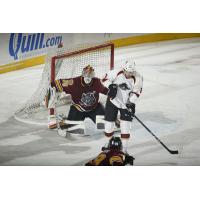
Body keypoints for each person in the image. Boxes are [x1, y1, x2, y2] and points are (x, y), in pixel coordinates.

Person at [46, 65, 115, 130]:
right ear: (82, 75)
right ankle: (61, 120)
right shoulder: (74, 83)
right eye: (86, 76)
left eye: (90, 77)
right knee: (72, 127)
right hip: (78, 110)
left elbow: (105, 91)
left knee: (106, 125)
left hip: (95, 109)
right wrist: (52, 90)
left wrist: (112, 93)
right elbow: (56, 84)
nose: (88, 79)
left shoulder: (97, 82)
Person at [102, 60, 143, 154]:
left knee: (126, 126)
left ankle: (124, 149)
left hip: (127, 104)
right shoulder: (116, 72)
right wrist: (111, 86)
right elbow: (104, 79)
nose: (129, 73)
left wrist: (131, 102)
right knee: (109, 124)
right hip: (113, 101)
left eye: (131, 72)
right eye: (128, 71)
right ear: (124, 69)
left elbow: (137, 91)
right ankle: (108, 142)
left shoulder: (138, 77)